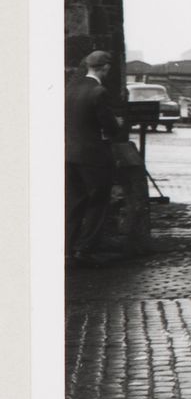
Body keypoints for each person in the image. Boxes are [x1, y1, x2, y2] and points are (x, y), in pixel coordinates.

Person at [65, 49, 123, 263]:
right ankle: (86, 249)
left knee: (74, 201)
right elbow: (109, 127)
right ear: (106, 68)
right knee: (98, 202)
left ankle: (67, 249)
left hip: (70, 155)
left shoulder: (69, 89)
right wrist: (117, 124)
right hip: (94, 157)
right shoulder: (99, 92)